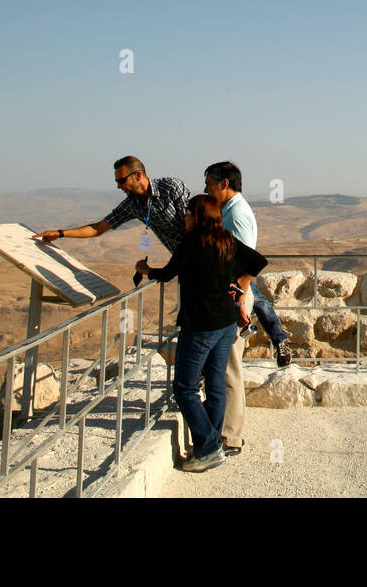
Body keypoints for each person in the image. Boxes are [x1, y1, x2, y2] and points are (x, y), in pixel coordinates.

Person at [32, 155, 290, 360]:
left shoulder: (170, 187)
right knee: (228, 306)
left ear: (139, 175)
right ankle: (260, 346)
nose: (119, 186)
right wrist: (62, 233)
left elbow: (201, 210)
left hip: (205, 255)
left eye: (121, 180)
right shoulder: (132, 205)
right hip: (188, 263)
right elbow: (100, 227)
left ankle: (221, 369)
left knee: (235, 302)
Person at [136, 195, 267, 471]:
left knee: (184, 388)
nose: (184, 217)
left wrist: (146, 270)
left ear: (197, 216)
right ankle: (213, 443)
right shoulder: (227, 240)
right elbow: (257, 261)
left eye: (187, 212)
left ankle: (207, 448)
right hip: (226, 323)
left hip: (200, 326)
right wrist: (237, 284)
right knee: (216, 383)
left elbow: (168, 273)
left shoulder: (193, 241)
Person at [205, 160, 278, 457]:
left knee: (229, 367)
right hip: (231, 296)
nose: (206, 189)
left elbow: (247, 263)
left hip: (234, 298)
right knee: (222, 366)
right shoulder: (231, 209)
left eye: (209, 183)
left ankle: (231, 437)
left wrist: (238, 302)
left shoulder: (237, 214)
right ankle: (224, 429)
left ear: (224, 184)